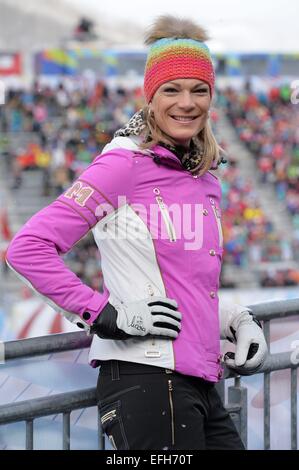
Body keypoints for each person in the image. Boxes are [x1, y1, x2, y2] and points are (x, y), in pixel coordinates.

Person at [6, 15, 267, 450]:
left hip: (199, 381)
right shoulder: (122, 165)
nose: (187, 103)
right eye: (172, 89)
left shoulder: (206, 178)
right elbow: (28, 249)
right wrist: (104, 315)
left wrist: (238, 321)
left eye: (199, 90)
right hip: (144, 382)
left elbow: (182, 287)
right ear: (150, 97)